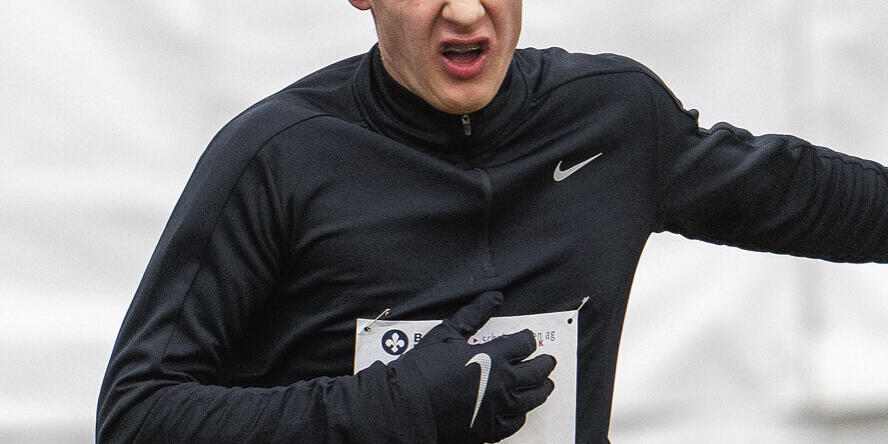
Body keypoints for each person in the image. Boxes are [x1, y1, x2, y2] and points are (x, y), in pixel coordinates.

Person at [96, 1, 888, 443]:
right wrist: (390, 411)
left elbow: (807, 197)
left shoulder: (611, 117)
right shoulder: (276, 156)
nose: (468, 11)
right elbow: (137, 417)